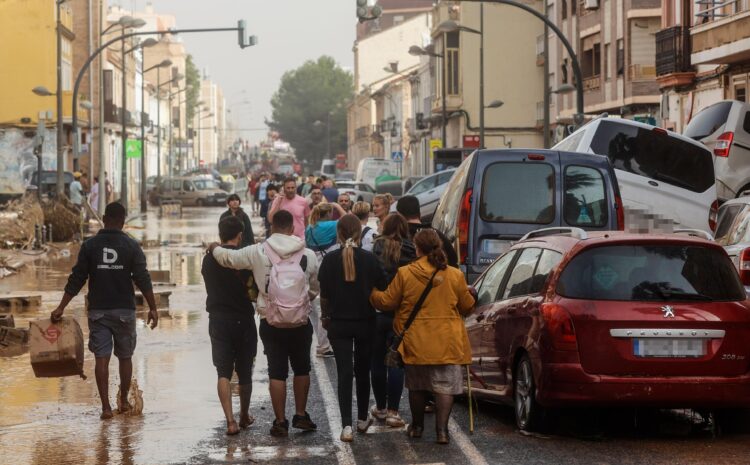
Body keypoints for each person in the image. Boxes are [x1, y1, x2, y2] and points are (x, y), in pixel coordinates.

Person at [210, 210, 320, 438]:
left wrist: (213, 247)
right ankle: (301, 414)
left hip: (271, 321)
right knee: (302, 368)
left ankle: (280, 422)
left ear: (272, 227)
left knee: (276, 372)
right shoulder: (308, 254)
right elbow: (315, 288)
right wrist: (299, 304)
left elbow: (227, 258)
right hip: (300, 323)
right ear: (292, 228)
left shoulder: (258, 251)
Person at [51, 202, 158, 420]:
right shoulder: (131, 246)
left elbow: (77, 278)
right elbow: (142, 278)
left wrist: (61, 306)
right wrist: (153, 307)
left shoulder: (90, 246)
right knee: (125, 357)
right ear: (123, 221)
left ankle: (106, 408)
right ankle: (124, 402)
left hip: (98, 311)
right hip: (125, 311)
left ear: (103, 217)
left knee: (102, 358)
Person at [370, 229, 475, 444]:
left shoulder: (406, 273)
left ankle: (417, 427)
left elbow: (387, 302)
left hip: (416, 340)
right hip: (448, 340)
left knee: (417, 386)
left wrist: (371, 292)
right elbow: (467, 306)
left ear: (417, 248)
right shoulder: (455, 275)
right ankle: (442, 431)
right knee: (445, 387)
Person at [319, 214, 387, 442]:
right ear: (360, 233)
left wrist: (326, 318)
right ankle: (361, 419)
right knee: (362, 371)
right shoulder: (369, 259)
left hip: (339, 323)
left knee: (344, 373)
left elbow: (325, 295)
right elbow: (383, 286)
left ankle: (346, 425)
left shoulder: (329, 260)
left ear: (338, 233)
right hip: (366, 322)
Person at [202, 216, 257, 435]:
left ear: (220, 233)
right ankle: (244, 415)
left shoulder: (207, 260)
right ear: (240, 235)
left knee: (223, 371)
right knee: (245, 372)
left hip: (218, 319)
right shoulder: (244, 260)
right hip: (243, 319)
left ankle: (230, 421)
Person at [370, 213, 416, 428]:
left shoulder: (377, 246)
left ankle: (379, 407)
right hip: (402, 314)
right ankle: (393, 412)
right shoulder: (412, 250)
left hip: (378, 311)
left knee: (377, 360)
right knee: (396, 362)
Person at [304, 202, 346, 358]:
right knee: (328, 306)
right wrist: (337, 206)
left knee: (321, 302)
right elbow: (349, 218)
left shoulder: (309, 228)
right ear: (328, 213)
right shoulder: (332, 224)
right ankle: (323, 345)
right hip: (329, 267)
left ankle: (322, 343)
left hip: (314, 266)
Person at [396, 195, 458, 268]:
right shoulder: (436, 234)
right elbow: (453, 260)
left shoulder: (398, 237)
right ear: (419, 212)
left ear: (399, 215)